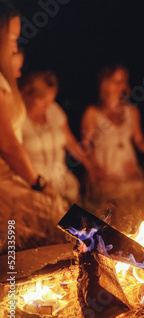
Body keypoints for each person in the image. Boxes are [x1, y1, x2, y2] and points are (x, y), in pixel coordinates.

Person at [0, 1, 67, 252]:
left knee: (58, 216)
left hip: (13, 177)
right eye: (12, 38)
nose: (16, 46)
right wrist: (37, 182)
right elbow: (8, 145)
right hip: (5, 182)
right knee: (55, 218)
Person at [20, 70, 102, 205]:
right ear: (28, 94)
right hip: (36, 186)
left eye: (51, 99)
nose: (47, 105)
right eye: (42, 99)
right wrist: (39, 183)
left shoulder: (53, 110)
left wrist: (90, 166)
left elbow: (70, 141)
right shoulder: (19, 118)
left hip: (63, 182)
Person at [81, 64, 144, 204]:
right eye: (115, 81)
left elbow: (139, 140)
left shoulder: (131, 111)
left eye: (122, 81)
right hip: (105, 168)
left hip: (128, 167)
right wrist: (94, 167)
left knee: (139, 202)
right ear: (105, 83)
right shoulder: (93, 113)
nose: (120, 85)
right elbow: (85, 145)